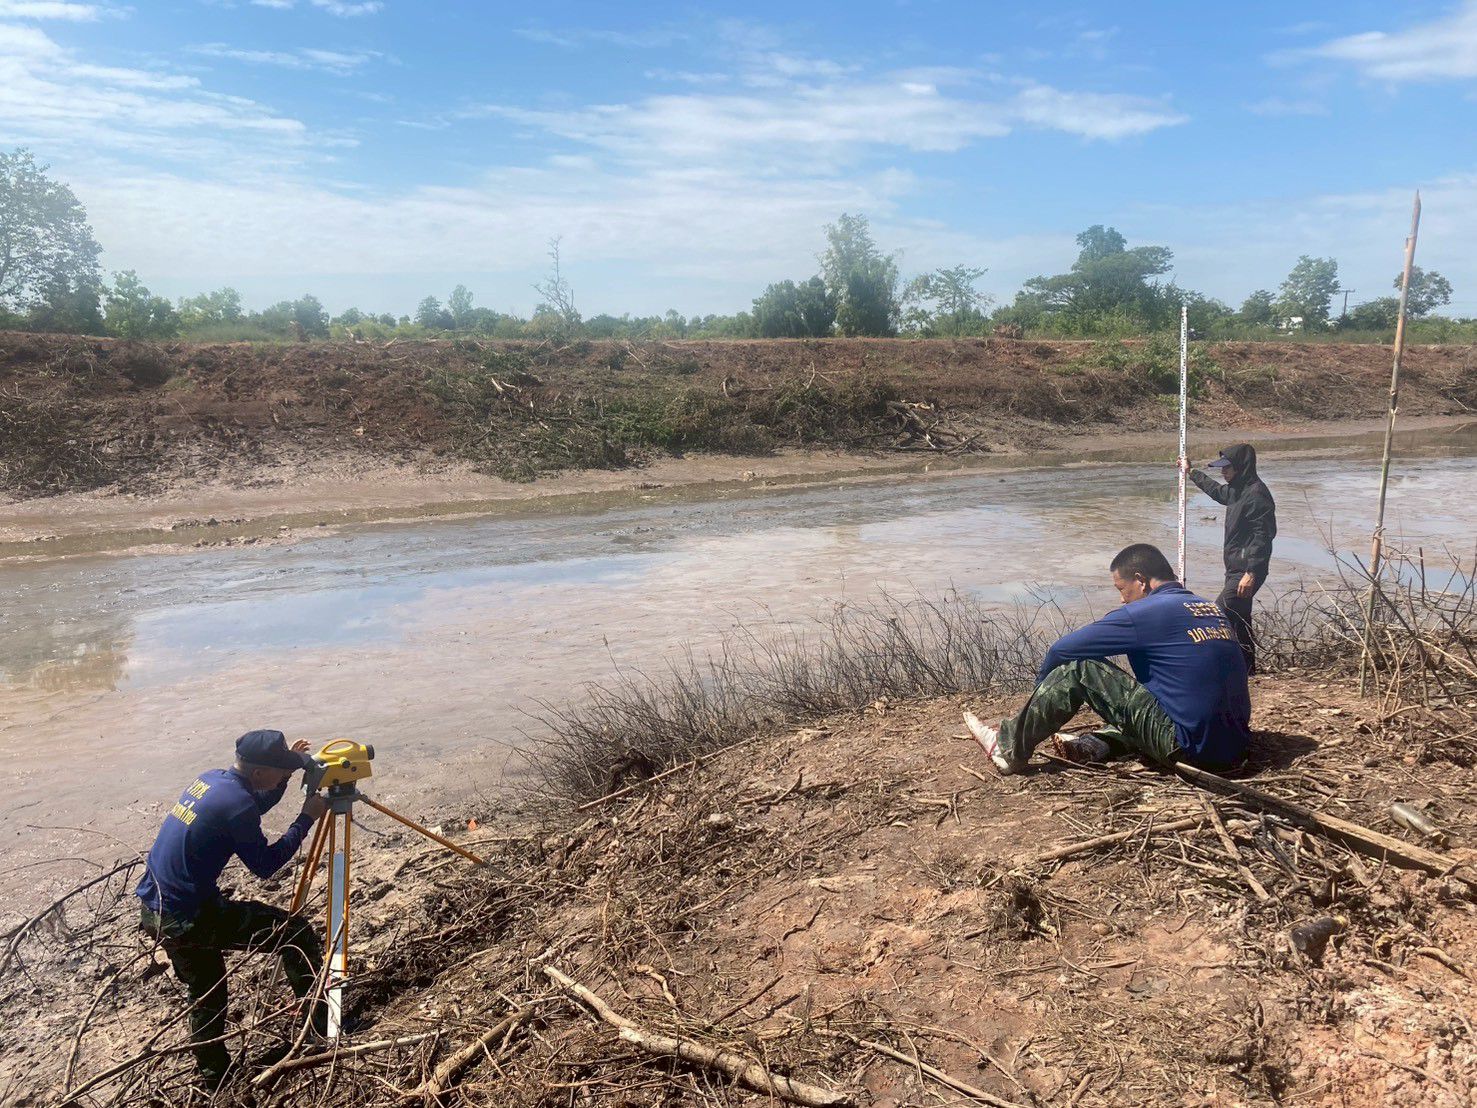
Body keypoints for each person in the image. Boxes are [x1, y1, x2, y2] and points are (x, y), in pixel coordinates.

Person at [135, 729, 328, 1089]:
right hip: (188, 917)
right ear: (258, 773)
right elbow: (266, 865)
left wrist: (286, 774)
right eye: (279, 771)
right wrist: (306, 819)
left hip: (156, 908)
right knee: (295, 933)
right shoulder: (238, 804)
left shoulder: (212, 781)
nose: (282, 777)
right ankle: (320, 1028)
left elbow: (251, 807)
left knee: (206, 992)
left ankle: (215, 1078)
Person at [964, 543, 1251, 774]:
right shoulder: (1208, 607)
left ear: (1140, 581)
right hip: (1236, 747)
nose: (1122, 599)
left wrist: (1038, 697)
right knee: (1153, 694)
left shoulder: (1143, 613)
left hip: (1189, 751)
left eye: (1121, 589)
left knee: (1079, 667)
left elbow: (1061, 650)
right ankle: (1102, 743)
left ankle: (1007, 748)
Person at [1189, 443, 1277, 675]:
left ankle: (1204, 670)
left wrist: (1252, 572)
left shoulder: (1256, 494)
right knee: (1240, 620)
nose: (1223, 472)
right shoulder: (1237, 490)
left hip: (1247, 571)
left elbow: (1263, 536)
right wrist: (1192, 472)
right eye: (1222, 468)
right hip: (1235, 569)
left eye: (1226, 468)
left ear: (1240, 467)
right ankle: (1248, 670)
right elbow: (1217, 491)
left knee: (1217, 615)